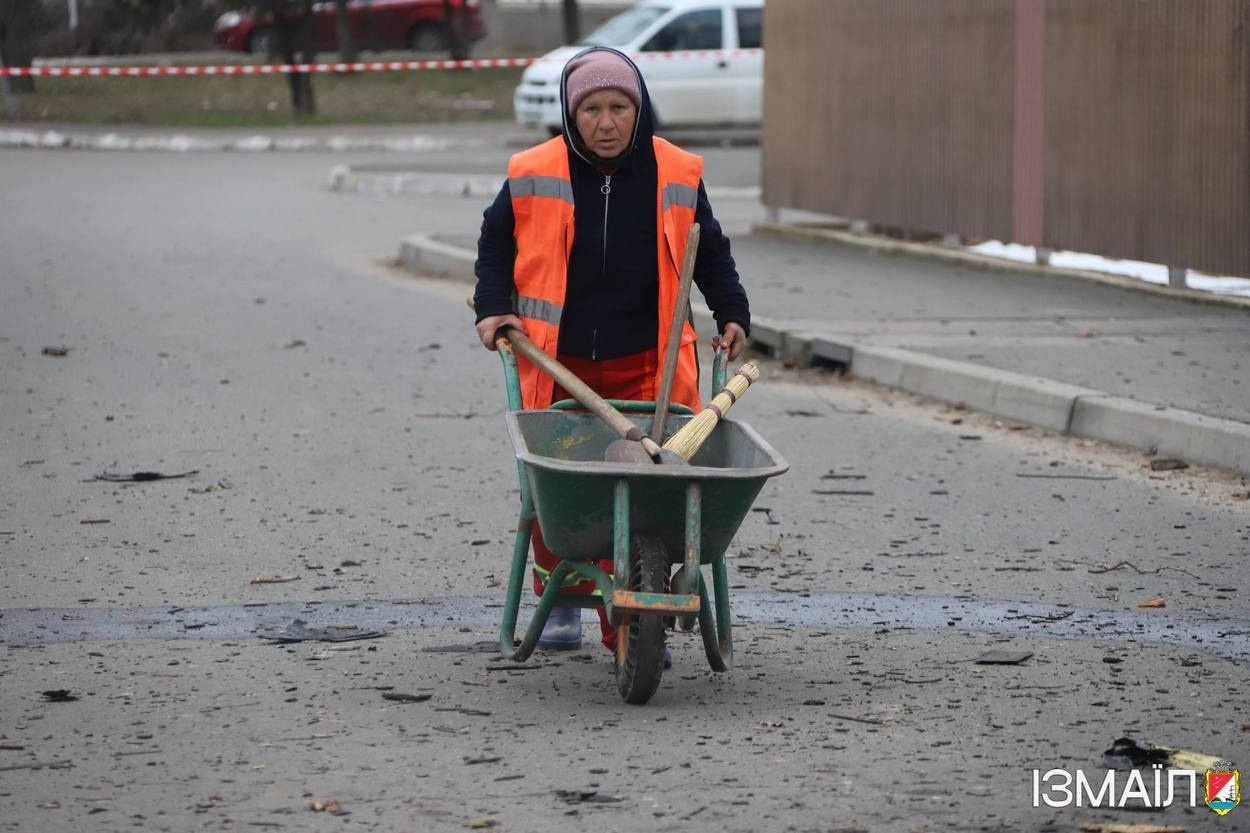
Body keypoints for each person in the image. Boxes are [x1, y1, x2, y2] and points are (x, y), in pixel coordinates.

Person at [473, 46, 750, 653]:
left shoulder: (674, 171)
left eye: (619, 107)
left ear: (638, 108)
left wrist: (732, 311)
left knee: (650, 483)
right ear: (572, 116)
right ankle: (566, 598)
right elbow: (496, 244)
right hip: (560, 361)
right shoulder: (533, 169)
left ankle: (625, 616)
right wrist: (492, 306)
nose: (605, 122)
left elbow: (713, 249)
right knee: (565, 484)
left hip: (644, 359)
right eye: (592, 109)